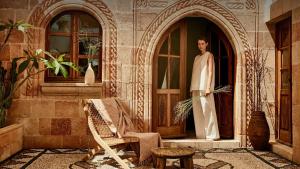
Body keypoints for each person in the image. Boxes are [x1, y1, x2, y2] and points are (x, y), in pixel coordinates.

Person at [190, 37, 220, 140]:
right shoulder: (196, 57)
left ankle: (212, 135)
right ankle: (201, 134)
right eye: (199, 44)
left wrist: (208, 87)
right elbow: (194, 73)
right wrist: (191, 88)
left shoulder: (209, 55)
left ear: (206, 44)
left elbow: (210, 72)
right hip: (196, 87)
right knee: (198, 112)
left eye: (202, 43)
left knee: (208, 110)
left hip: (204, 87)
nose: (200, 46)